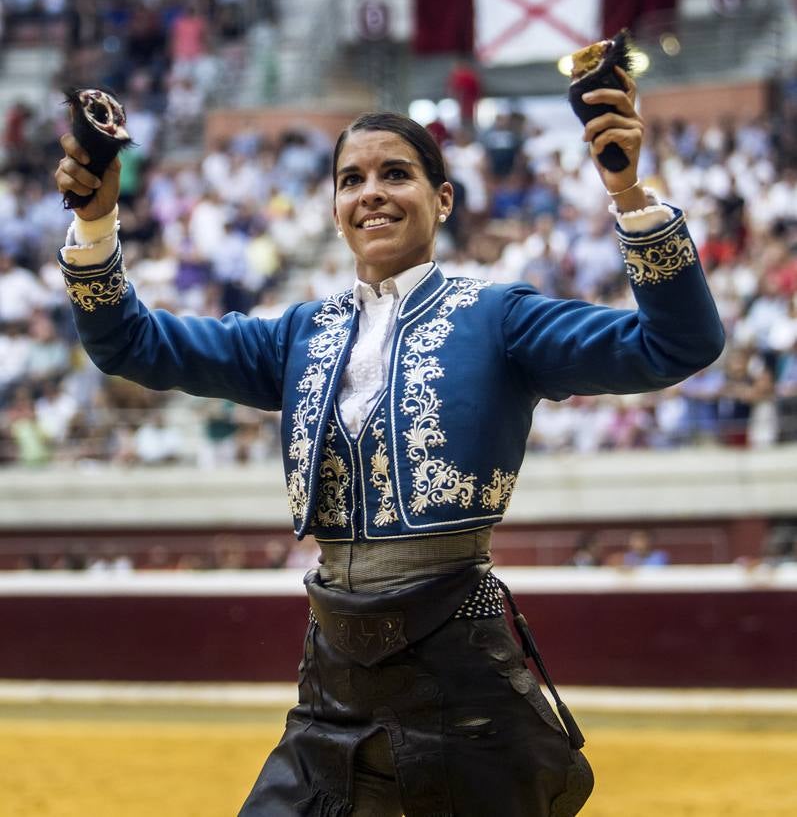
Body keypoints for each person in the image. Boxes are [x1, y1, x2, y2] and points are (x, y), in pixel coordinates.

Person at [54, 68, 724, 816]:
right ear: (335, 208)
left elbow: (676, 343)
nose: (369, 191)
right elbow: (131, 344)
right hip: (331, 682)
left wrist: (628, 196)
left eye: (395, 173)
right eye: (351, 179)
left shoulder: (499, 317)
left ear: (442, 199)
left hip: (460, 686)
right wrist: (94, 225)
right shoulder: (297, 335)